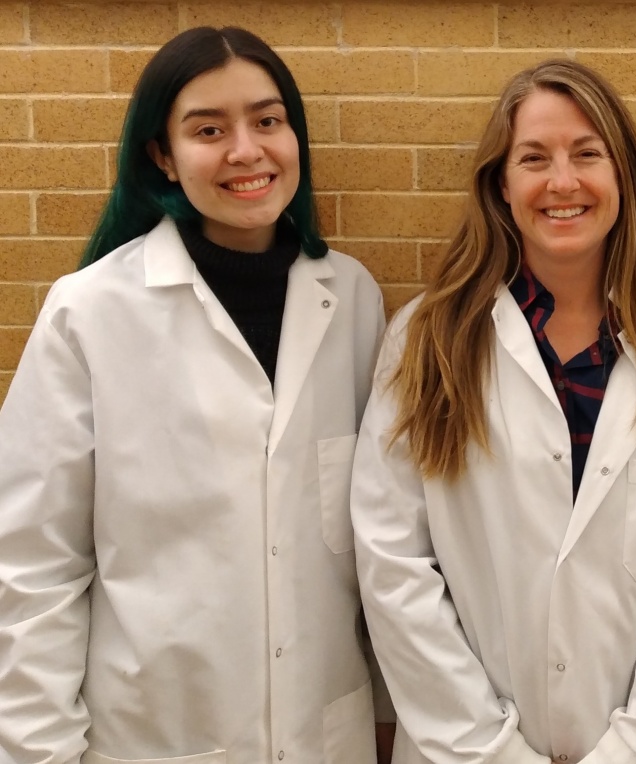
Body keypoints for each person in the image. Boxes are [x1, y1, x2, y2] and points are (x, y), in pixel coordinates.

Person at [351, 59, 636, 764]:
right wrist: (489, 751)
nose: (563, 182)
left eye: (586, 154)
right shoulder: (428, 340)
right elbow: (394, 566)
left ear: (623, 179)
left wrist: (632, 752)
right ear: (501, 185)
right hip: (468, 748)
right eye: (534, 158)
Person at [0, 26, 388, 764]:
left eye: (268, 121)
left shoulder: (355, 301)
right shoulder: (90, 313)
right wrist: (37, 750)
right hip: (152, 738)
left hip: (323, 737)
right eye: (209, 129)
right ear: (162, 156)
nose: (247, 150)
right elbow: (30, 567)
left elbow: (384, 541)